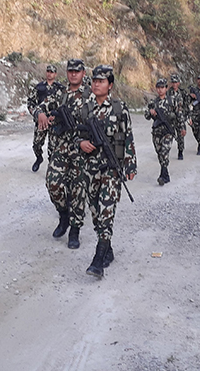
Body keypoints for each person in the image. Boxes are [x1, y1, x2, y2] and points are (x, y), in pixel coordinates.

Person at [76, 65, 137, 279]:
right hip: (89, 168)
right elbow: (75, 133)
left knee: (106, 210)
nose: (96, 84)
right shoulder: (85, 108)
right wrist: (81, 142)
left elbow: (128, 137)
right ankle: (108, 247)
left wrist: (130, 165)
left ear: (110, 85)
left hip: (111, 169)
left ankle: (98, 259)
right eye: (94, 81)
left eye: (101, 81)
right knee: (95, 212)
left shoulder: (119, 108)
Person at [35, 58, 92, 249]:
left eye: (77, 71)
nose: (74, 74)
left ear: (83, 73)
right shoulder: (60, 92)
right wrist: (41, 114)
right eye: (70, 71)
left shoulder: (90, 95)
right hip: (61, 147)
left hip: (81, 151)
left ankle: (75, 230)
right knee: (52, 183)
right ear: (67, 73)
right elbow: (42, 105)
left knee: (78, 190)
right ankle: (63, 215)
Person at [26, 65, 65, 172]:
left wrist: (57, 116)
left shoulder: (60, 89)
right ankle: (39, 158)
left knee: (53, 147)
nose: (49, 74)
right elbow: (30, 103)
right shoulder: (39, 87)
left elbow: (64, 106)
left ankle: (51, 168)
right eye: (48, 71)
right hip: (41, 121)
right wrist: (37, 114)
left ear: (55, 74)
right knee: (36, 144)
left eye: (52, 72)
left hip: (54, 122)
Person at [145, 78, 183, 185]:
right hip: (157, 132)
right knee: (159, 153)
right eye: (158, 87)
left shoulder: (172, 101)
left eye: (162, 87)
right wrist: (150, 112)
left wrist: (181, 128)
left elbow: (179, 115)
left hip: (168, 132)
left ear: (166, 88)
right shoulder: (153, 102)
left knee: (164, 152)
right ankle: (166, 174)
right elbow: (146, 115)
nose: (160, 90)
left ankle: (162, 175)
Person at [167, 74, 189, 160]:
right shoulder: (168, 92)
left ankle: (180, 152)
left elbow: (186, 104)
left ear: (179, 83)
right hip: (170, 118)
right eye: (173, 82)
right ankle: (165, 153)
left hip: (180, 117)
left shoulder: (183, 92)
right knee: (168, 135)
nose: (174, 84)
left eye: (176, 82)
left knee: (181, 135)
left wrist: (187, 115)